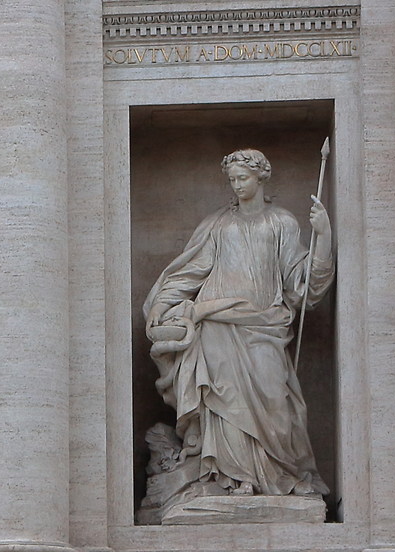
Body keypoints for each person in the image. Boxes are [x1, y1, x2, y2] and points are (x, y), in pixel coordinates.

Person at [142, 148, 334, 505]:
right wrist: (161, 303)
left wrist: (322, 237)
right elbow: (190, 271)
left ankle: (280, 475)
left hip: (265, 323)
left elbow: (303, 283)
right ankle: (234, 478)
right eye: (232, 180)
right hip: (217, 323)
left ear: (261, 178)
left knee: (275, 399)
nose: (237, 185)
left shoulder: (281, 222)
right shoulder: (217, 224)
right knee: (224, 401)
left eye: (243, 178)